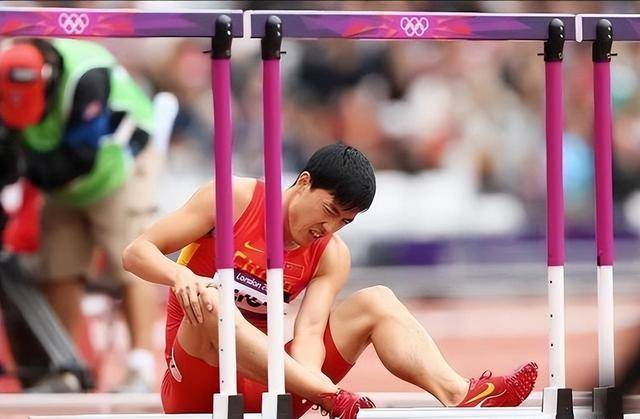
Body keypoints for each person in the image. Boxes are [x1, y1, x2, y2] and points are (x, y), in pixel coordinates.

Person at [123, 144, 538, 418]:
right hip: (196, 383)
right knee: (214, 300)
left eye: (345, 221)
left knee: (377, 300)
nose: (330, 228)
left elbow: (308, 334)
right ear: (303, 182)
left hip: (267, 384)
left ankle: (459, 393)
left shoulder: (331, 254)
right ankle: (329, 396)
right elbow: (135, 252)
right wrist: (181, 275)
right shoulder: (232, 200)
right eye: (329, 211)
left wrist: (306, 386)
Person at [0, 38, 161, 392]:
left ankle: (141, 367)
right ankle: (65, 369)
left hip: (117, 164)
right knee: (58, 263)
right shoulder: (5, 72)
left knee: (131, 256)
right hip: (58, 172)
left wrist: (22, 163)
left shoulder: (87, 79)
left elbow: (80, 160)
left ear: (48, 81)